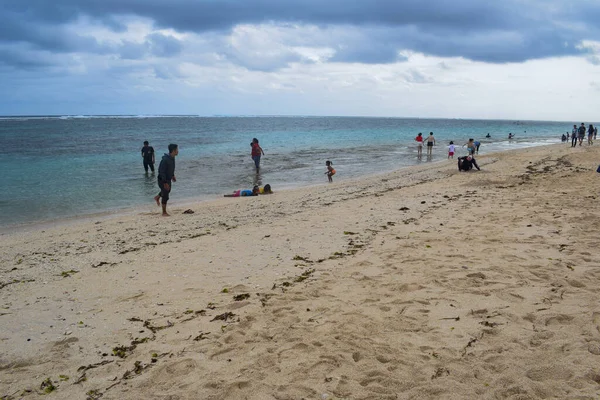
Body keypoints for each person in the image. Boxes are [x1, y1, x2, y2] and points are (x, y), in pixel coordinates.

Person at [154, 144, 178, 216]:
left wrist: (172, 175)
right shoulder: (165, 160)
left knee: (168, 191)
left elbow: (171, 168)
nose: (178, 151)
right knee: (165, 195)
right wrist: (164, 182)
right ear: (173, 151)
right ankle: (164, 212)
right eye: (177, 150)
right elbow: (161, 171)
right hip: (162, 179)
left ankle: (157, 197)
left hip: (168, 179)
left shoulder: (172, 157)